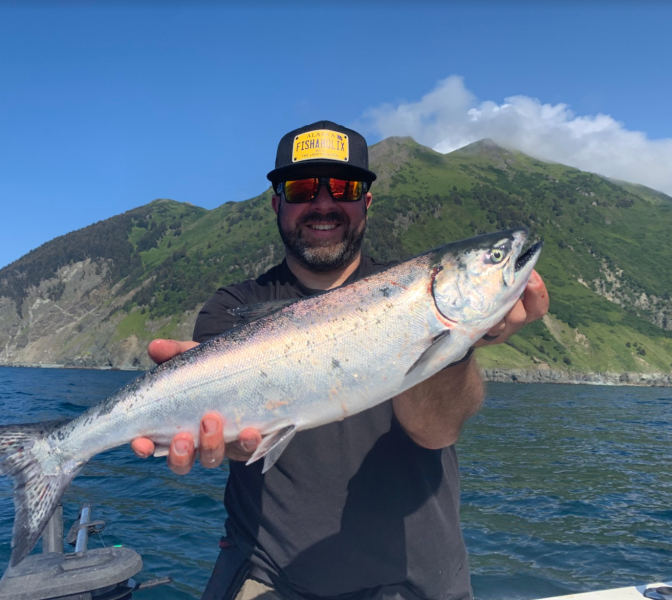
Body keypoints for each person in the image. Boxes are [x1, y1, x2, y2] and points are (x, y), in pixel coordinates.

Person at [131, 121, 550, 600]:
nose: (324, 203)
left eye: (345, 187)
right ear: (277, 203)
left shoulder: (406, 295)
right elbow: (244, 443)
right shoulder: (231, 310)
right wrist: (222, 435)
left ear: (366, 202)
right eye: (304, 187)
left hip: (421, 584)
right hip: (273, 581)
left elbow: (435, 431)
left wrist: (460, 344)